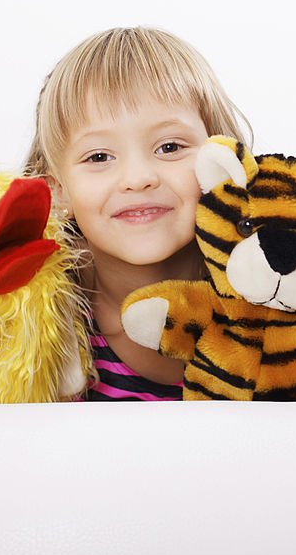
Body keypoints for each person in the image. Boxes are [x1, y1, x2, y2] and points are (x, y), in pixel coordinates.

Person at [25, 26, 250, 401]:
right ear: (56, 190)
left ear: (222, 160)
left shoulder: (279, 281)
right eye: (99, 157)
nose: (138, 178)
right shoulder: (35, 328)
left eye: (169, 147)